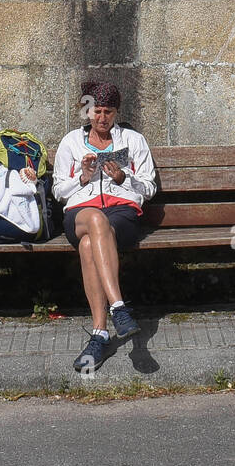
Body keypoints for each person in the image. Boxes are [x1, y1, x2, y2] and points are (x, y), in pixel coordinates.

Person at [52, 80, 157, 372]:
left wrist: (124, 179)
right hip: (81, 213)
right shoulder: (71, 142)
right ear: (87, 112)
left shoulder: (133, 141)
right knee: (94, 219)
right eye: (97, 111)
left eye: (108, 112)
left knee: (88, 244)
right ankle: (119, 307)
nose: (102, 118)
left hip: (122, 214)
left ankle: (99, 334)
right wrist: (83, 178)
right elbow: (58, 191)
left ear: (116, 112)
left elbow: (149, 187)